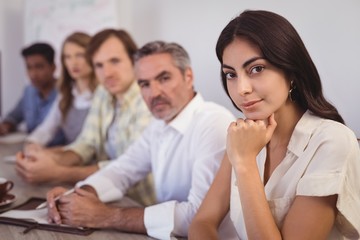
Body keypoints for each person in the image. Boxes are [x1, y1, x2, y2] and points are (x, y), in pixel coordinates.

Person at [189, 10, 360, 239]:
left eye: (256, 69)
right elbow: (202, 222)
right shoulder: (244, 137)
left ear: (290, 70)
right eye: (231, 74)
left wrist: (246, 164)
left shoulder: (332, 141)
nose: (242, 89)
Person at [45, 41, 236, 239]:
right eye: (144, 84)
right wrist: (79, 196)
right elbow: (123, 169)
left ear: (188, 77)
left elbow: (198, 216)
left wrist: (106, 216)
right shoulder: (159, 124)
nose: (154, 93)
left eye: (164, 78)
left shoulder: (215, 123)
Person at [15, 29, 153, 205]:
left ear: (135, 60)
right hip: (107, 195)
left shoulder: (147, 99)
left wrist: (57, 172)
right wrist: (49, 160)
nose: (107, 73)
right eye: (99, 65)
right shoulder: (104, 92)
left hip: (139, 204)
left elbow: (127, 168)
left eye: (115, 61)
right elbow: (86, 143)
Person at [25, 32, 98, 148]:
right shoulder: (67, 93)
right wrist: (32, 145)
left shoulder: (102, 94)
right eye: (67, 57)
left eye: (79, 55)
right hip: (68, 158)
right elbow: (46, 129)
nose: (73, 63)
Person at [0, 42, 64, 146]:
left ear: (53, 67)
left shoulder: (65, 93)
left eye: (39, 67)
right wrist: (6, 126)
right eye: (29, 67)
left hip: (58, 152)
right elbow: (14, 116)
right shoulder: (29, 91)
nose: (33, 74)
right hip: (33, 148)